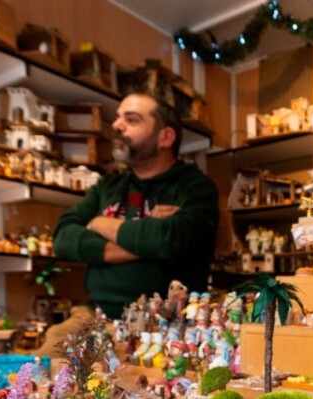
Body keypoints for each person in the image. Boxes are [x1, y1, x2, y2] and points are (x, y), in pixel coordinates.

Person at [53, 92, 219, 319]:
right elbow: (63, 238)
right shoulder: (107, 186)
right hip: (95, 317)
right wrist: (147, 239)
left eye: (131, 120)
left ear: (165, 137)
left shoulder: (195, 187)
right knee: (45, 353)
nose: (116, 125)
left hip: (169, 323)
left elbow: (167, 240)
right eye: (118, 118)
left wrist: (97, 223)